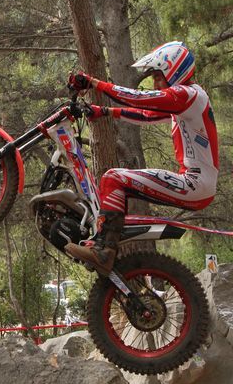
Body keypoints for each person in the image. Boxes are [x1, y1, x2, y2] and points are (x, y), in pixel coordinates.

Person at [65, 41, 219, 276]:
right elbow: (147, 115)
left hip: (195, 184)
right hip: (197, 183)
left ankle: (104, 251)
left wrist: (94, 83)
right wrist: (105, 111)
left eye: (158, 77)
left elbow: (138, 98)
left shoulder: (188, 94)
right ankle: (105, 241)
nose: (155, 85)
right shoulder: (187, 101)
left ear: (174, 70)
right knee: (115, 182)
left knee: (113, 178)